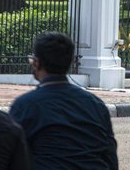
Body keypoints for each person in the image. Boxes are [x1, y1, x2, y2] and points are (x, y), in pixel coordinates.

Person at [9, 32, 118, 170]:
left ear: (36, 63)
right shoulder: (95, 104)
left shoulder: (25, 105)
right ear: (71, 61)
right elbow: (110, 156)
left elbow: (12, 156)